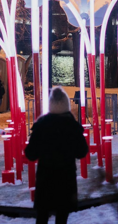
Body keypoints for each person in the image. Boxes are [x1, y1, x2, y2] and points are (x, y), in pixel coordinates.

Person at [25, 87, 88, 224]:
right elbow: (82, 151)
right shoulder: (72, 126)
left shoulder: (41, 126)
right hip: (66, 180)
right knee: (62, 217)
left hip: (45, 179)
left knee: (42, 217)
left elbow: (30, 154)